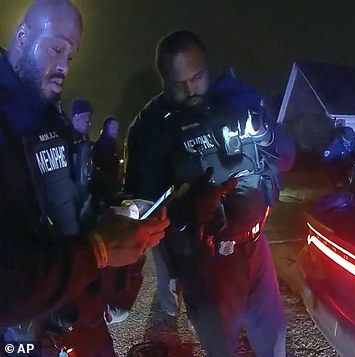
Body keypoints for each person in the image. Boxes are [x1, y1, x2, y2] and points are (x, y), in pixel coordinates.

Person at [0, 0, 170, 354]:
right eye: (56, 48)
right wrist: (100, 249)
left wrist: (124, 208)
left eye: (71, 56)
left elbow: (78, 183)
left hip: (76, 319)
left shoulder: (49, 118)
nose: (63, 66)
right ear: (22, 36)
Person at [125, 30, 295, 356]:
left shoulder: (237, 98)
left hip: (256, 248)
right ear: (164, 80)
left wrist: (263, 133)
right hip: (204, 262)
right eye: (179, 83)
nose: (191, 89)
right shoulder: (151, 128)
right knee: (222, 346)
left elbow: (287, 157)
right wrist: (188, 211)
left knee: (273, 337)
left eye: (197, 77)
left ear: (208, 67)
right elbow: (143, 209)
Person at [322, 122, 355, 189]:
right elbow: (326, 161)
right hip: (336, 168)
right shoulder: (335, 146)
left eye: (350, 140)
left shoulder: (354, 141)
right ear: (342, 136)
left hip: (349, 166)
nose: (349, 142)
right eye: (347, 139)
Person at [93, 116, 121, 189]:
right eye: (114, 127)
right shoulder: (99, 146)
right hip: (104, 189)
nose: (116, 130)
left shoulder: (113, 146)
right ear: (107, 128)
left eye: (117, 127)